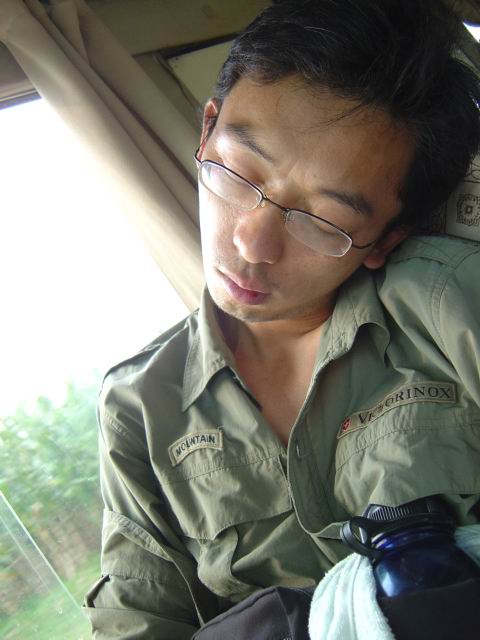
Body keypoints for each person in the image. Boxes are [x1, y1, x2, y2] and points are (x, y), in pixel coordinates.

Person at [83, 1, 480, 638]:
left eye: (323, 220)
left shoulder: (447, 306)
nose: (252, 243)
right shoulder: (139, 407)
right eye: (238, 172)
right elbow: (140, 621)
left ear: (384, 238)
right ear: (207, 132)